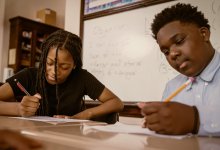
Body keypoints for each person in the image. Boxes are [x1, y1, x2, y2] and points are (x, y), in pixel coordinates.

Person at [0, 30, 124, 123]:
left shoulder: (82, 77)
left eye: (64, 67)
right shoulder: (29, 76)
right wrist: (18, 109)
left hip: (70, 138)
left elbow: (116, 102)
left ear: (75, 65)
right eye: (49, 63)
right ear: (43, 58)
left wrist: (86, 114)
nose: (54, 71)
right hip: (32, 138)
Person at [138, 3, 220, 136]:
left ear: (204, 34)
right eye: (165, 51)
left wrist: (196, 120)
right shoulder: (172, 87)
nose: (172, 54)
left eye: (179, 41)